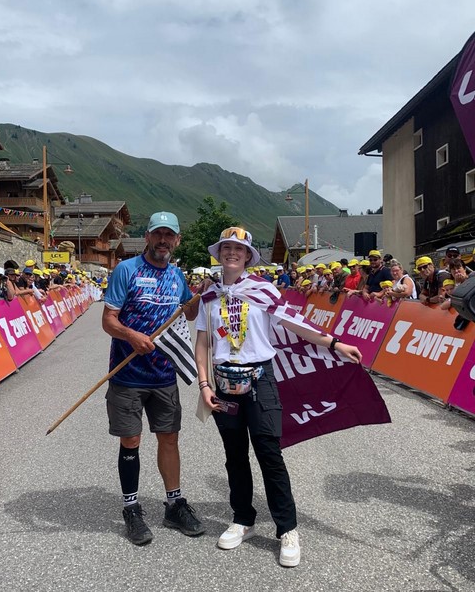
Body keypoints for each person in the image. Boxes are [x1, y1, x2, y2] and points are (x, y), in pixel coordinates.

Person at [194, 227, 361, 568]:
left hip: (260, 380)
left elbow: (296, 322)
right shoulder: (208, 296)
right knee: (234, 455)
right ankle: (243, 520)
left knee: (269, 452)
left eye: (238, 249)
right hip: (224, 382)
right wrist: (203, 384)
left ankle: (287, 528)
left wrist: (334, 343)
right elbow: (202, 342)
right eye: (226, 247)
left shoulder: (263, 290)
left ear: (247, 256)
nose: (231, 253)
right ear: (219, 253)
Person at [102, 211, 204, 546]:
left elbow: (187, 312)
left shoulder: (176, 274)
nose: (163, 241)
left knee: (169, 439)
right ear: (146, 237)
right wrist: (131, 335)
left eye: (169, 235)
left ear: (177, 240)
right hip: (128, 374)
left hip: (163, 375)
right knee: (131, 441)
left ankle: (174, 504)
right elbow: (108, 321)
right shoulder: (126, 270)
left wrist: (197, 295)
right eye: (157, 234)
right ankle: (131, 508)